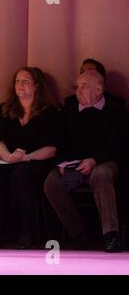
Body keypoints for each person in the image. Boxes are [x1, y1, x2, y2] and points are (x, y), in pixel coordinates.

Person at [44, 70, 127, 252]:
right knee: (51, 182)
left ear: (98, 90)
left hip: (103, 162)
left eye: (83, 86)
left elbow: (116, 144)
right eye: (78, 86)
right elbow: (59, 140)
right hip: (74, 164)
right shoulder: (69, 110)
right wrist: (62, 162)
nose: (78, 91)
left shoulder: (115, 111)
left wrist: (94, 160)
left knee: (102, 174)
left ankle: (111, 235)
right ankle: (78, 233)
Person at [0, 67, 60, 249]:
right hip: (8, 158)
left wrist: (27, 157)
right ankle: (0, 229)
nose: (20, 85)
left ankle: (28, 232)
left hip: (36, 161)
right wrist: (7, 156)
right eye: (17, 81)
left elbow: (52, 148)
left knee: (22, 175)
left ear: (37, 86)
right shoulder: (5, 110)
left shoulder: (49, 113)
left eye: (25, 81)